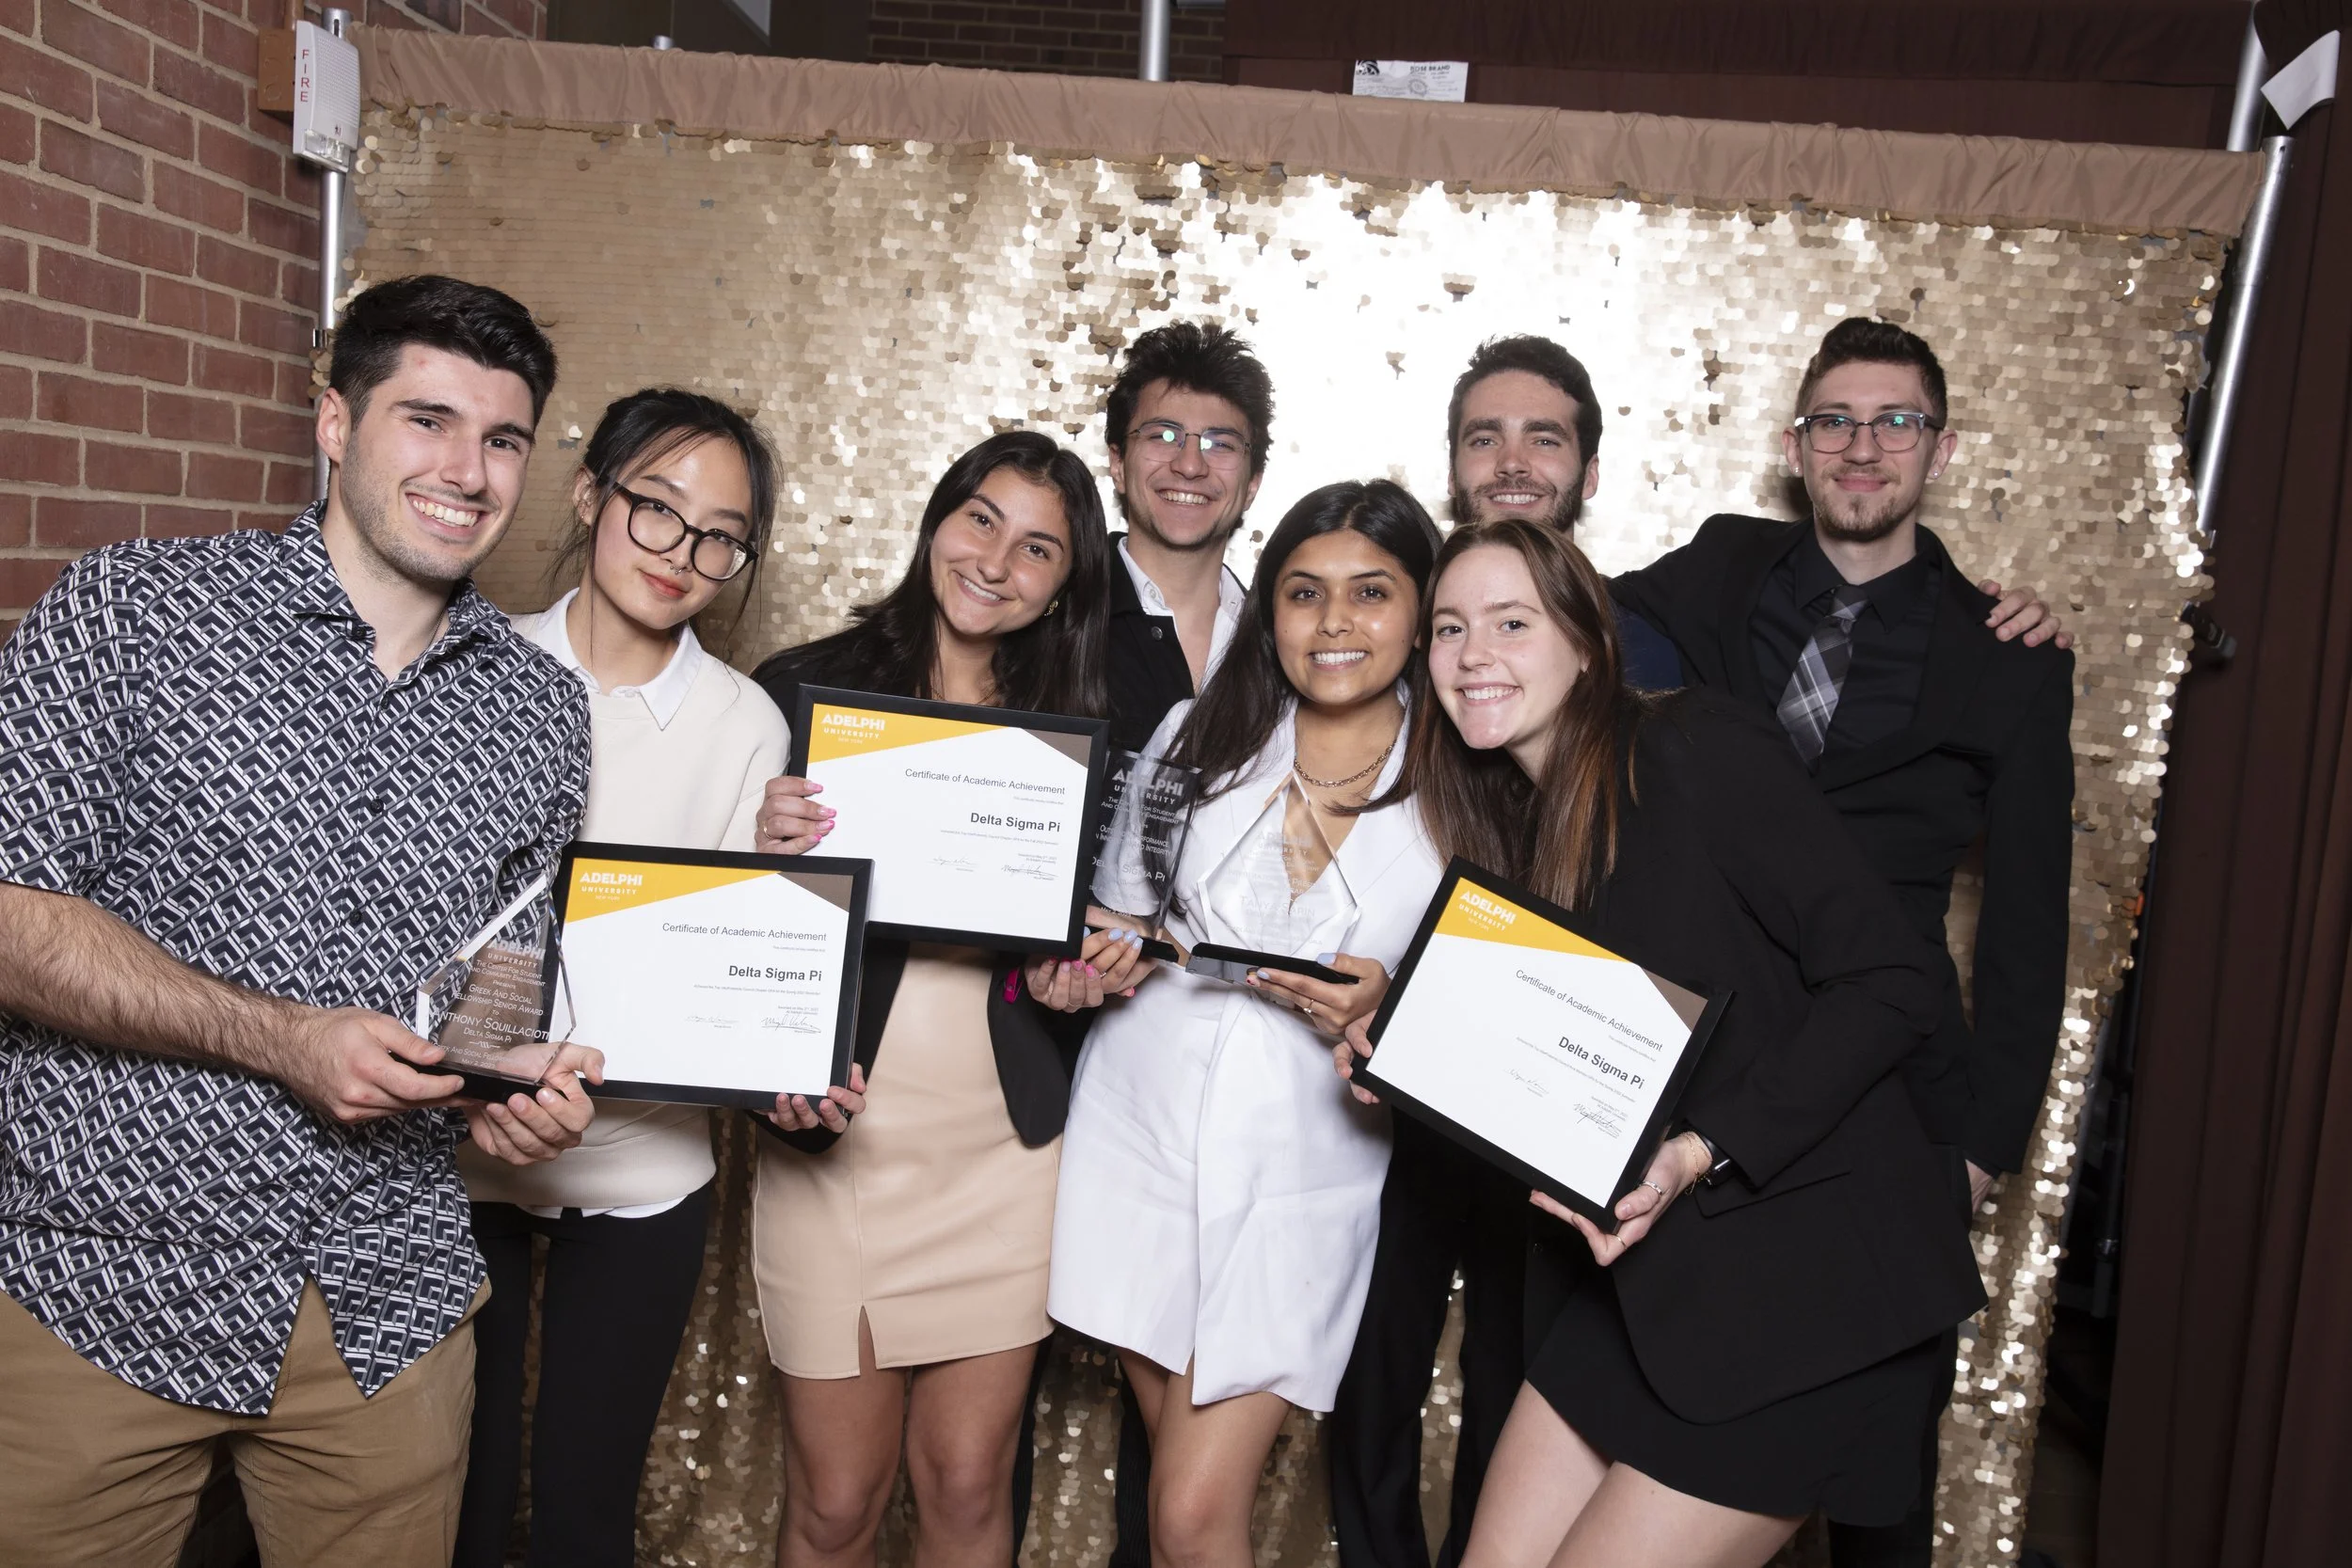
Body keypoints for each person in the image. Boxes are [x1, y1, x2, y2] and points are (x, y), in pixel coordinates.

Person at [1329, 330, 2073, 1568]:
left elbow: (1891, 978)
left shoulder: (1697, 746)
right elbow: (1556, 1064)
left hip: (1810, 1289)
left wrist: (1700, 1147)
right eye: (1450, 628)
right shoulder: (1522, 827)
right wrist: (1403, 1047)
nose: (1473, 655)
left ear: (1588, 632)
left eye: (1511, 620)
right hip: (1650, 1288)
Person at [0, 274, 603, 1568]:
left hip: (386, 1304)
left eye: (504, 438)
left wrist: (509, 1088)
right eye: (426, 419)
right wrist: (282, 1037)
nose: (470, 468)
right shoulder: (130, 613)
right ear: (335, 421)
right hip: (98, 1273)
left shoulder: (544, 713)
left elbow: (497, 981)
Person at [1607, 317, 2075, 1568]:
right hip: (1704, 1070)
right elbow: (1559, 615)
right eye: (1836, 421)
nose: (1863, 447)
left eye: (1895, 421)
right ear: (1795, 444)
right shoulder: (1715, 571)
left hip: (1896, 1088)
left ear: (1941, 446)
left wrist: (1983, 1142)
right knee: (1686, 1406)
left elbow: (2032, 923)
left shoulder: (2008, 655)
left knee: (1876, 1473)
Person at [453, 388, 863, 1568]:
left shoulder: (746, 723)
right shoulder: (469, 667)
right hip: (455, 1159)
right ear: (590, 497)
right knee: (459, 1511)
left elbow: (741, 957)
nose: (682, 555)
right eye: (654, 510)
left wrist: (792, 1045)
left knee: (586, 1512)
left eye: (719, 535)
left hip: (644, 1169)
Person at [746, 430, 1138, 1568]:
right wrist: (762, 851)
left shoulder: (1074, 740)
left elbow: (1055, 950)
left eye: (1037, 548)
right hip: (837, 1144)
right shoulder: (803, 691)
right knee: (836, 1505)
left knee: (967, 1485)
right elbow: (727, 934)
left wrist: (1071, 982)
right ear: (935, 519)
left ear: (1064, 585)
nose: (995, 560)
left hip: (1001, 1158)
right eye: (980, 519)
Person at [1050, 481, 1449, 1568]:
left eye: (1371, 593)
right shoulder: (1199, 729)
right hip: (1142, 1115)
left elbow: (1484, 993)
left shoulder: (1468, 776)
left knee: (1189, 1512)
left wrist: (1392, 999)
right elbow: (1124, 904)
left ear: (1421, 609)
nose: (1332, 623)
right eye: (1302, 592)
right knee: (1182, 1506)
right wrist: (1090, 947)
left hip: (1309, 1155)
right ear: (1266, 609)